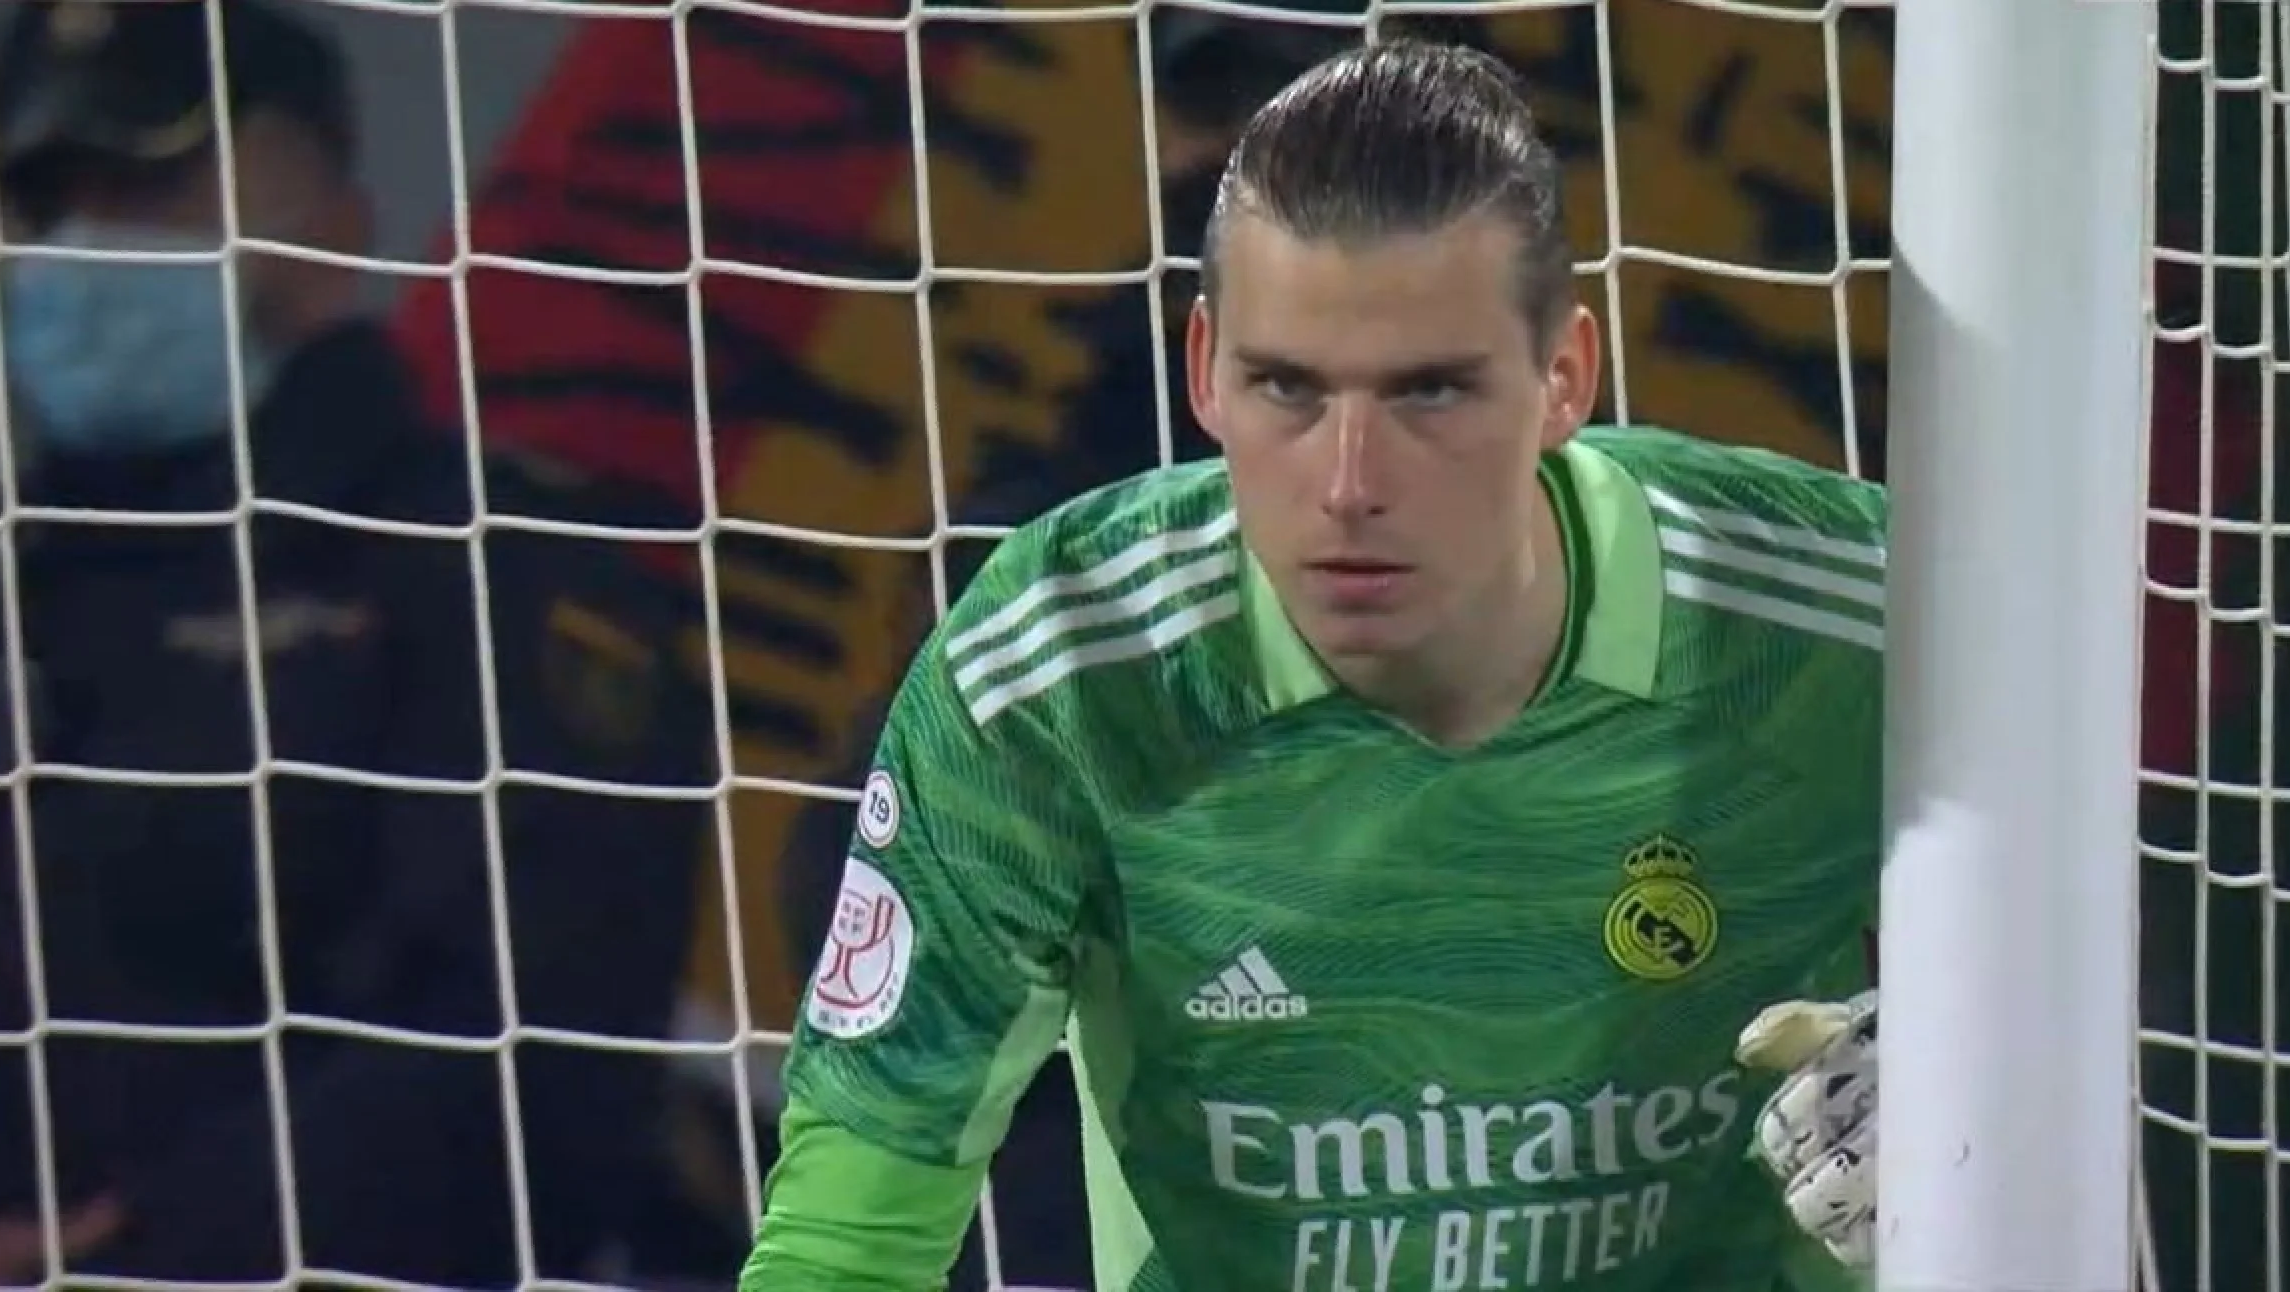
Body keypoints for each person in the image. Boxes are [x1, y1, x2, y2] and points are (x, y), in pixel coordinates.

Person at [742, 39, 1883, 1292]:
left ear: (1564, 378)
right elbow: (846, 1245)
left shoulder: (1837, 618)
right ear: (1202, 372)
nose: (1348, 485)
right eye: (1285, 387)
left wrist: (1990, 1099)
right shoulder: (1066, 667)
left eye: (1430, 393)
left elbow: (2054, 985)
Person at [0, 1, 711, 1285]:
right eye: (48, 200)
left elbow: (527, 1065)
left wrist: (85, 1265)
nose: (84, 242)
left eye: (147, 188)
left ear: (339, 227)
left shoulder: (501, 568)